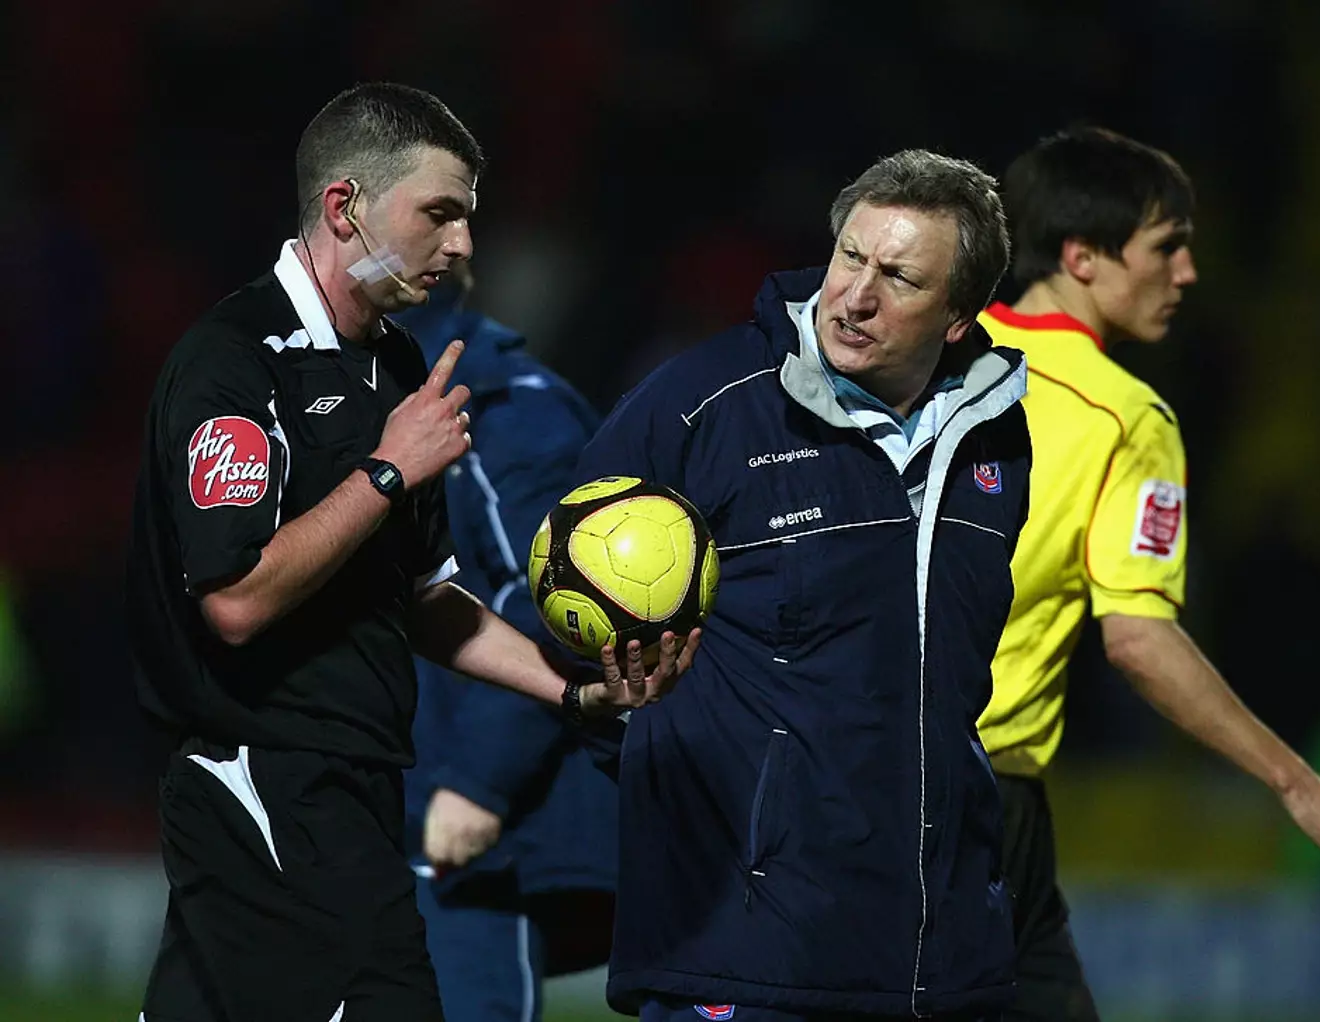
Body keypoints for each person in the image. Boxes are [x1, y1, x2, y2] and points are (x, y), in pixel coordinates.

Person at [125, 82, 697, 1022]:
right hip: (262, 779)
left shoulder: (394, 368)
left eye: (469, 218)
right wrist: (388, 472)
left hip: (356, 784)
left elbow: (427, 599)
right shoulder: (232, 360)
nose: (466, 245)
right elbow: (233, 599)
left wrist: (573, 690)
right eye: (440, 213)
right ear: (345, 207)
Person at [575, 149, 1029, 1022]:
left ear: (960, 315)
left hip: (944, 962)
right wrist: (707, 820)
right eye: (850, 257)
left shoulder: (998, 441)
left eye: (898, 278)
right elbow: (570, 617)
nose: (854, 296)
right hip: (743, 954)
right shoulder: (699, 408)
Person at [976, 126, 1320, 1021]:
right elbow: (1136, 638)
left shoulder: (914, 358)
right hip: (970, 800)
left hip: (823, 773)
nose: (1190, 274)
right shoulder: (1126, 415)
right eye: (1167, 247)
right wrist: (1300, 784)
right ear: (1082, 257)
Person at [395, 265, 620, 1021]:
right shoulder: (367, 393)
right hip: (399, 800)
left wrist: (478, 784)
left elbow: (565, 608)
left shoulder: (508, 411)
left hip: (469, 829)